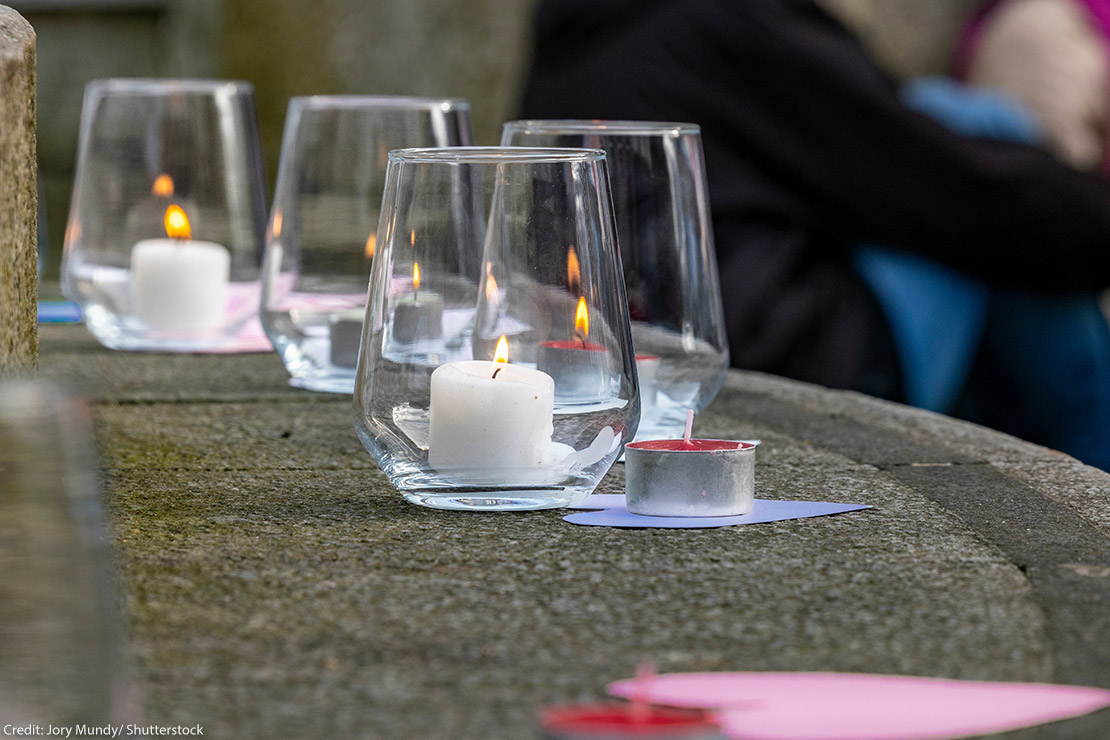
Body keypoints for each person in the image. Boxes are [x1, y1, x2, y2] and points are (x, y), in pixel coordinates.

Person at [519, 0, 1110, 470]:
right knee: (978, 135)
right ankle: (1081, 473)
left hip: (621, 354)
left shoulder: (586, 28)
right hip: (793, 366)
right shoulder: (731, 23)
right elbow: (951, 186)